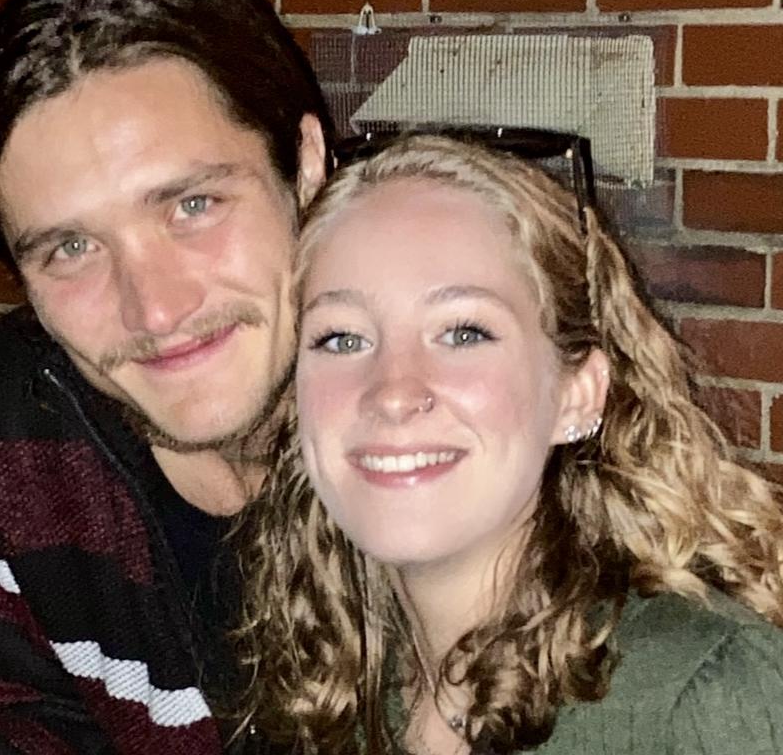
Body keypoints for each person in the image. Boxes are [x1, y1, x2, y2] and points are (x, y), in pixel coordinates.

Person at [240, 133, 783, 754]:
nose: (392, 392)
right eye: (342, 339)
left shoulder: (696, 700)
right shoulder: (324, 688)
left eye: (463, 333)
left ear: (576, 394)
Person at [0, 0, 331, 754]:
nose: (155, 310)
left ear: (305, 167)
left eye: (193, 205)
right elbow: (40, 715)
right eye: (71, 248)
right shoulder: (24, 425)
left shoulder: (448, 431)